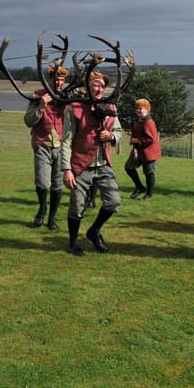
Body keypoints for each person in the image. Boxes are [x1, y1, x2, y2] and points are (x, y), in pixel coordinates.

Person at [61, 72, 123, 256]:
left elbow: (118, 131)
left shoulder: (110, 105)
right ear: (87, 86)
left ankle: (94, 231)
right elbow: (66, 141)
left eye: (102, 86)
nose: (99, 89)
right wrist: (67, 170)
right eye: (96, 85)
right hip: (81, 166)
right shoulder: (75, 107)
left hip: (103, 165)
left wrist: (111, 136)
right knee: (77, 207)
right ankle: (73, 242)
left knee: (113, 202)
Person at [23, 66, 68, 229]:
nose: (59, 82)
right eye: (56, 79)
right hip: (42, 145)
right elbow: (28, 121)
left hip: (61, 147)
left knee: (57, 185)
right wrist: (41, 106)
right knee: (42, 183)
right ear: (49, 79)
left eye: (62, 79)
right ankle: (42, 209)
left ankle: (52, 219)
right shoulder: (37, 96)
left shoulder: (67, 97)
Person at [124, 98, 160, 200]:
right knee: (128, 167)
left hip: (149, 152)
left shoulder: (148, 122)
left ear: (147, 109)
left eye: (141, 108)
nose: (138, 110)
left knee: (149, 173)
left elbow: (151, 139)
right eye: (137, 108)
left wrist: (137, 140)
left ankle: (149, 194)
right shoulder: (137, 120)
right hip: (138, 151)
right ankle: (140, 187)